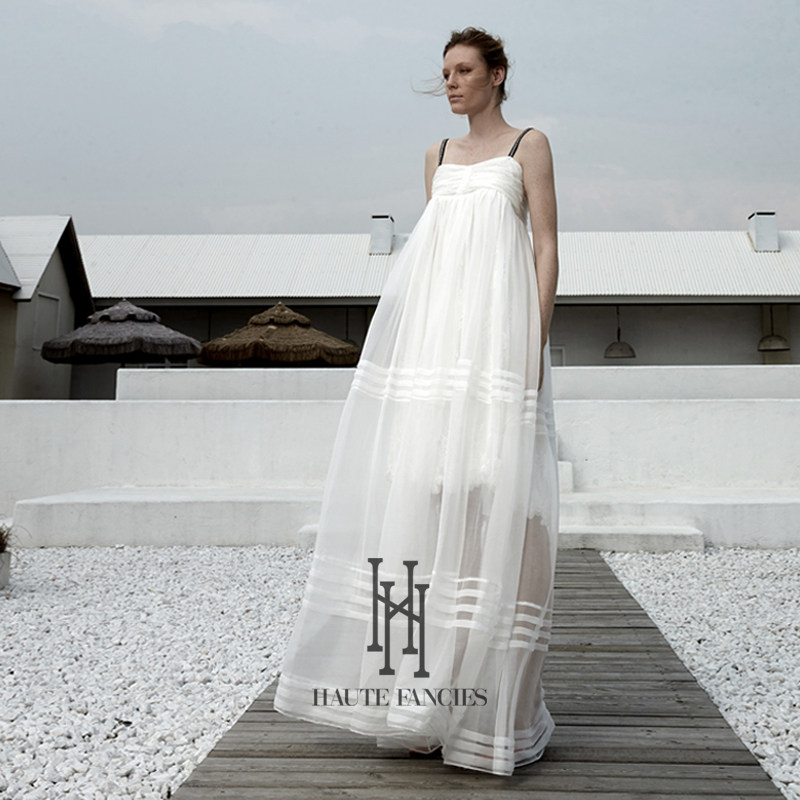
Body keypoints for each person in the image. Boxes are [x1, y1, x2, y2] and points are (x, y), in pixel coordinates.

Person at [275, 26, 560, 777]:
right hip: (435, 350)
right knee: (427, 504)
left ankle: (495, 712)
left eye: (464, 70)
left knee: (503, 504)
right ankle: (420, 703)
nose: (452, 83)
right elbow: (436, 264)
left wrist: (532, 348)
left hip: (499, 348)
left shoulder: (528, 145)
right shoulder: (435, 156)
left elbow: (544, 248)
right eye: (446, 72)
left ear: (498, 74)